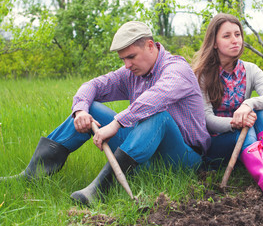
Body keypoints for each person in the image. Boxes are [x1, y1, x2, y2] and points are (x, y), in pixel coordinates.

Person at [0, 21, 210, 204]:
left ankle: (101, 188)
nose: (127, 65)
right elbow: (94, 85)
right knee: (90, 108)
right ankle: (32, 175)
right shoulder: (132, 73)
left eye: (131, 57)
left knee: (158, 116)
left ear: (149, 45)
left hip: (182, 159)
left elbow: (156, 97)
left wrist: (117, 123)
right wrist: (80, 110)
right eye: (123, 60)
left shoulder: (176, 69)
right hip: (142, 153)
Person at [192, 13, 263, 199]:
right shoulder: (202, 75)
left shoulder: (250, 70)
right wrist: (235, 121)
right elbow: (208, 121)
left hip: (243, 144)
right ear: (215, 43)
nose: (235, 40)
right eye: (227, 36)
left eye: (238, 34)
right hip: (216, 146)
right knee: (246, 125)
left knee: (260, 110)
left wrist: (248, 103)